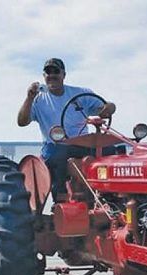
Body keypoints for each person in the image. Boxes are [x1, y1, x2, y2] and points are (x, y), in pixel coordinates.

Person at [17, 58, 116, 201]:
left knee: (115, 151)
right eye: (48, 72)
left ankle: (111, 196)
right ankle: (61, 198)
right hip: (55, 145)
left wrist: (110, 107)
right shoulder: (38, 99)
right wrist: (29, 98)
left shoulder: (80, 93)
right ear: (44, 76)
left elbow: (105, 109)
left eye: (56, 71)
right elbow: (22, 121)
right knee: (58, 155)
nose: (52, 75)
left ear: (64, 75)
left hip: (83, 144)